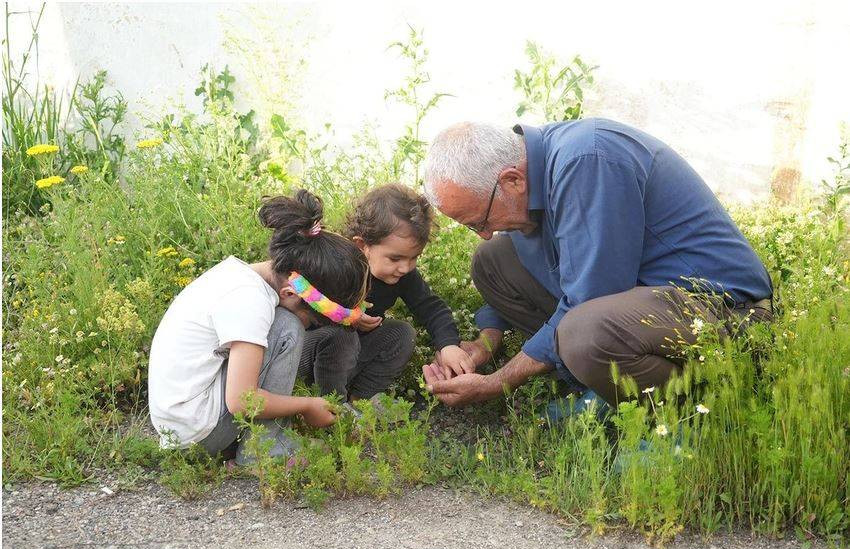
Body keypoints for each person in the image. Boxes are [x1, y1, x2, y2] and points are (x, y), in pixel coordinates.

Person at [421, 119, 773, 409]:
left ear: (512, 180)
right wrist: (487, 341)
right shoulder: (533, 171)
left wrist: (497, 383)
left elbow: (589, 297)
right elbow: (563, 275)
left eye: (479, 221)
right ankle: (602, 381)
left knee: (583, 332)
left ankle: (680, 415)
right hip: (644, 306)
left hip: (724, 314)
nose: (483, 233)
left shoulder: (587, 161)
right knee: (492, 260)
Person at [148, 189, 370, 463]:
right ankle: (265, 449)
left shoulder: (241, 278)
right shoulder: (249, 301)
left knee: (284, 322)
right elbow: (242, 400)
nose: (310, 326)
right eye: (312, 319)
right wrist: (307, 406)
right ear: (291, 292)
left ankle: (247, 444)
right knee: (288, 326)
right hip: (198, 434)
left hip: (183, 423)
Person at [298, 183, 474, 400]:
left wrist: (448, 345)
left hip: (350, 358)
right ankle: (333, 407)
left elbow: (431, 308)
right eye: (395, 258)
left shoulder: (402, 275)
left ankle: (360, 401)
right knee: (343, 336)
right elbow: (304, 306)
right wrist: (346, 317)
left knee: (402, 334)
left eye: (413, 258)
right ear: (362, 245)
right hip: (311, 356)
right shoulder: (336, 266)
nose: (405, 267)